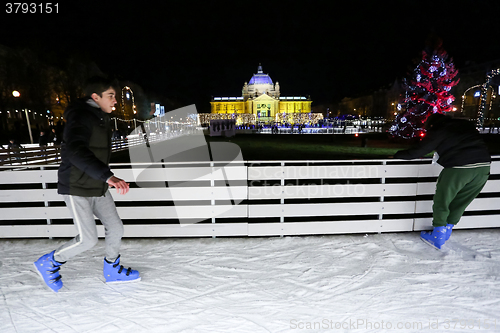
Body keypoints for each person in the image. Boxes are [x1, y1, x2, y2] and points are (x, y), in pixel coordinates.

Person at [34, 76, 140, 292]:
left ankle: (112, 268)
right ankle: (50, 261)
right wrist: (108, 176)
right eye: (111, 96)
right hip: (76, 186)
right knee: (88, 239)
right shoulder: (81, 117)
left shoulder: (100, 117)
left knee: (116, 228)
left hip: (97, 184)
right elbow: (75, 151)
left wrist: (103, 177)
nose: (115, 101)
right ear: (95, 97)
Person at [393, 113, 491, 249]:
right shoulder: (465, 125)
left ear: (432, 125)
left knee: (443, 199)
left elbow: (419, 151)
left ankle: (438, 235)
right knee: (461, 201)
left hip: (459, 167)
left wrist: (397, 155)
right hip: (483, 167)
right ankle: (447, 230)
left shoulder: (439, 131)